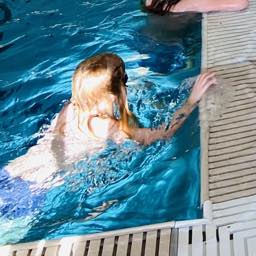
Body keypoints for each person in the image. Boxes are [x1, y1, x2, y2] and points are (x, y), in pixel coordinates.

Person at [0, 54, 216, 211]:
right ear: (114, 96)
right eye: (125, 81)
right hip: (33, 193)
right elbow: (164, 133)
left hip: (12, 171)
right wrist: (191, 101)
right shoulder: (109, 127)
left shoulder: (69, 109)